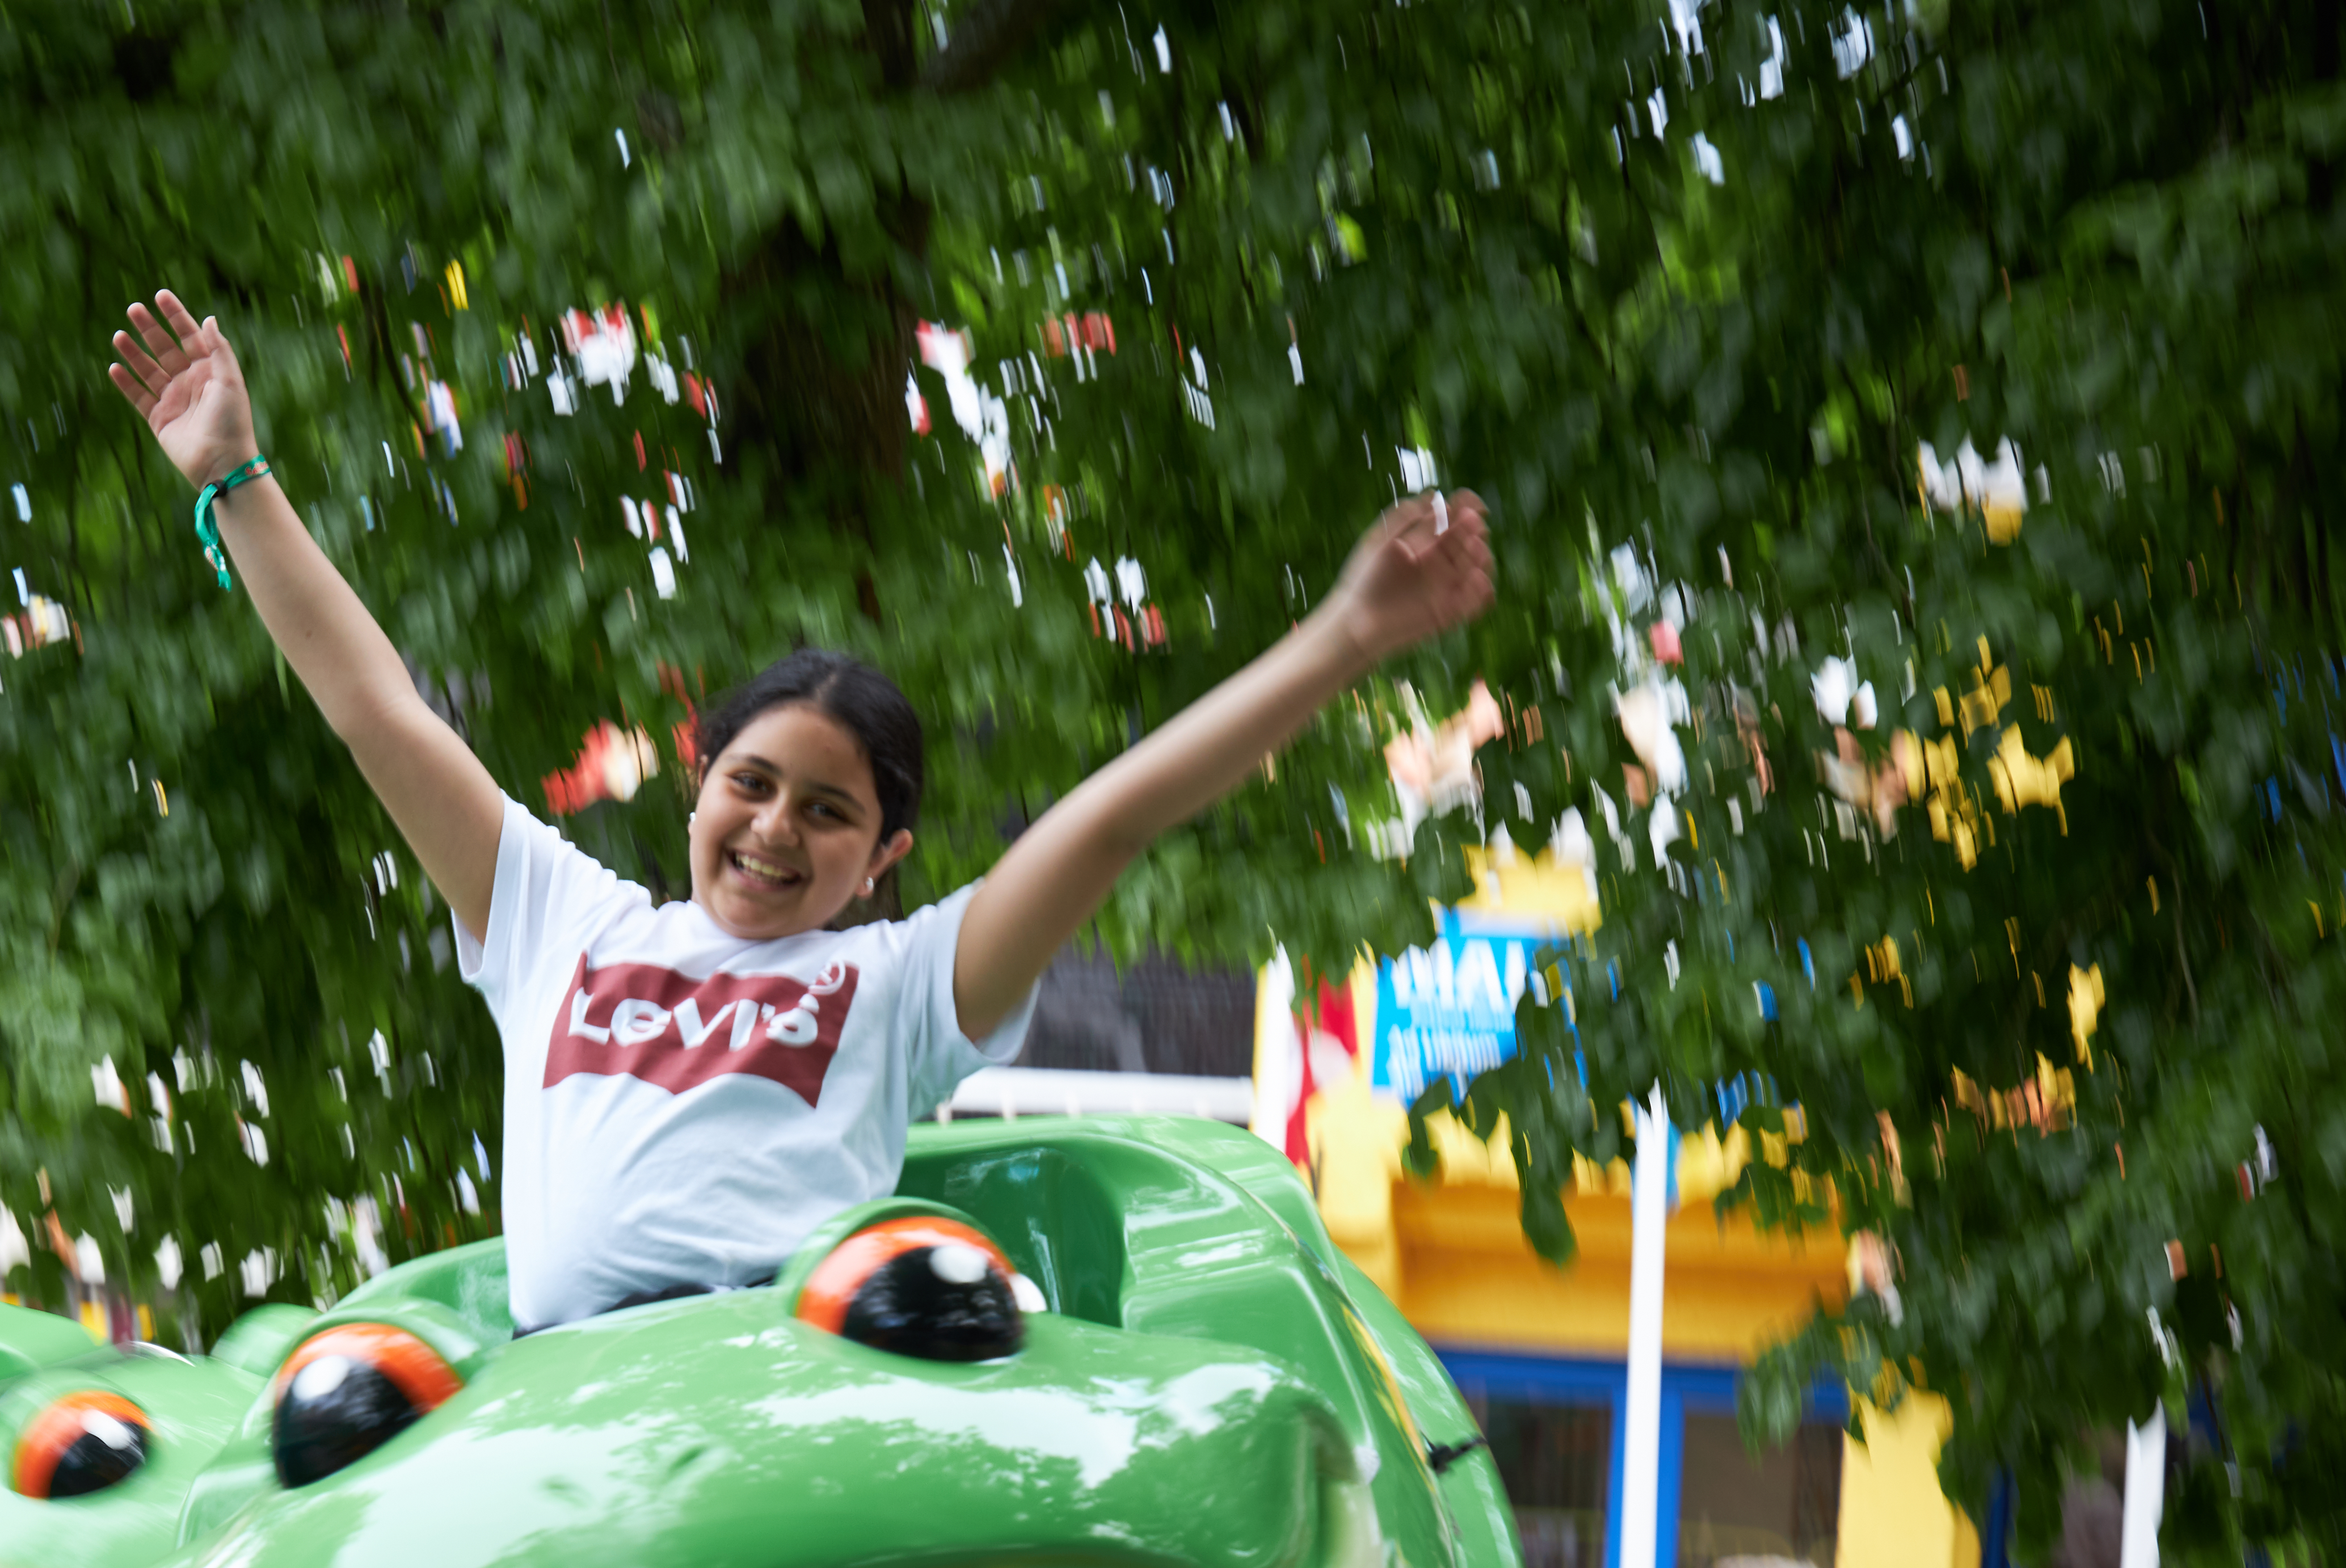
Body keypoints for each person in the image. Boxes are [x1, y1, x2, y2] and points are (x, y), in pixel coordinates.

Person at [104, 289, 1493, 1330]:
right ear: (699, 780)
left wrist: (1348, 636)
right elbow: (381, 713)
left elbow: (1113, 817)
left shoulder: (901, 982)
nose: (774, 828)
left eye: (828, 812)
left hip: (793, 1414)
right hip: (562, 1425)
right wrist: (236, 479)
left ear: (885, 857)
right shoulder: (559, 920)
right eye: (751, 784)